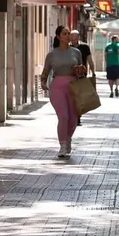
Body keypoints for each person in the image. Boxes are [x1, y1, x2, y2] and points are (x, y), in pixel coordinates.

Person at [40, 26, 86, 158]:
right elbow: (46, 71)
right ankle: (63, 145)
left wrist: (80, 70)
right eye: (64, 34)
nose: (67, 36)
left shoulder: (76, 52)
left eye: (68, 33)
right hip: (57, 88)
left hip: (73, 86)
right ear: (58, 37)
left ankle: (68, 138)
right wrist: (43, 82)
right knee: (63, 117)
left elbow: (82, 70)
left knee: (73, 118)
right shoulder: (52, 55)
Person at [70, 29, 95, 126]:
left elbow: (90, 60)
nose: (73, 41)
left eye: (74, 39)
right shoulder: (68, 47)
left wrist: (93, 72)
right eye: (71, 39)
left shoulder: (85, 47)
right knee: (71, 97)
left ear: (78, 38)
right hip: (70, 75)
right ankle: (72, 116)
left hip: (81, 75)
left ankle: (78, 117)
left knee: (79, 98)